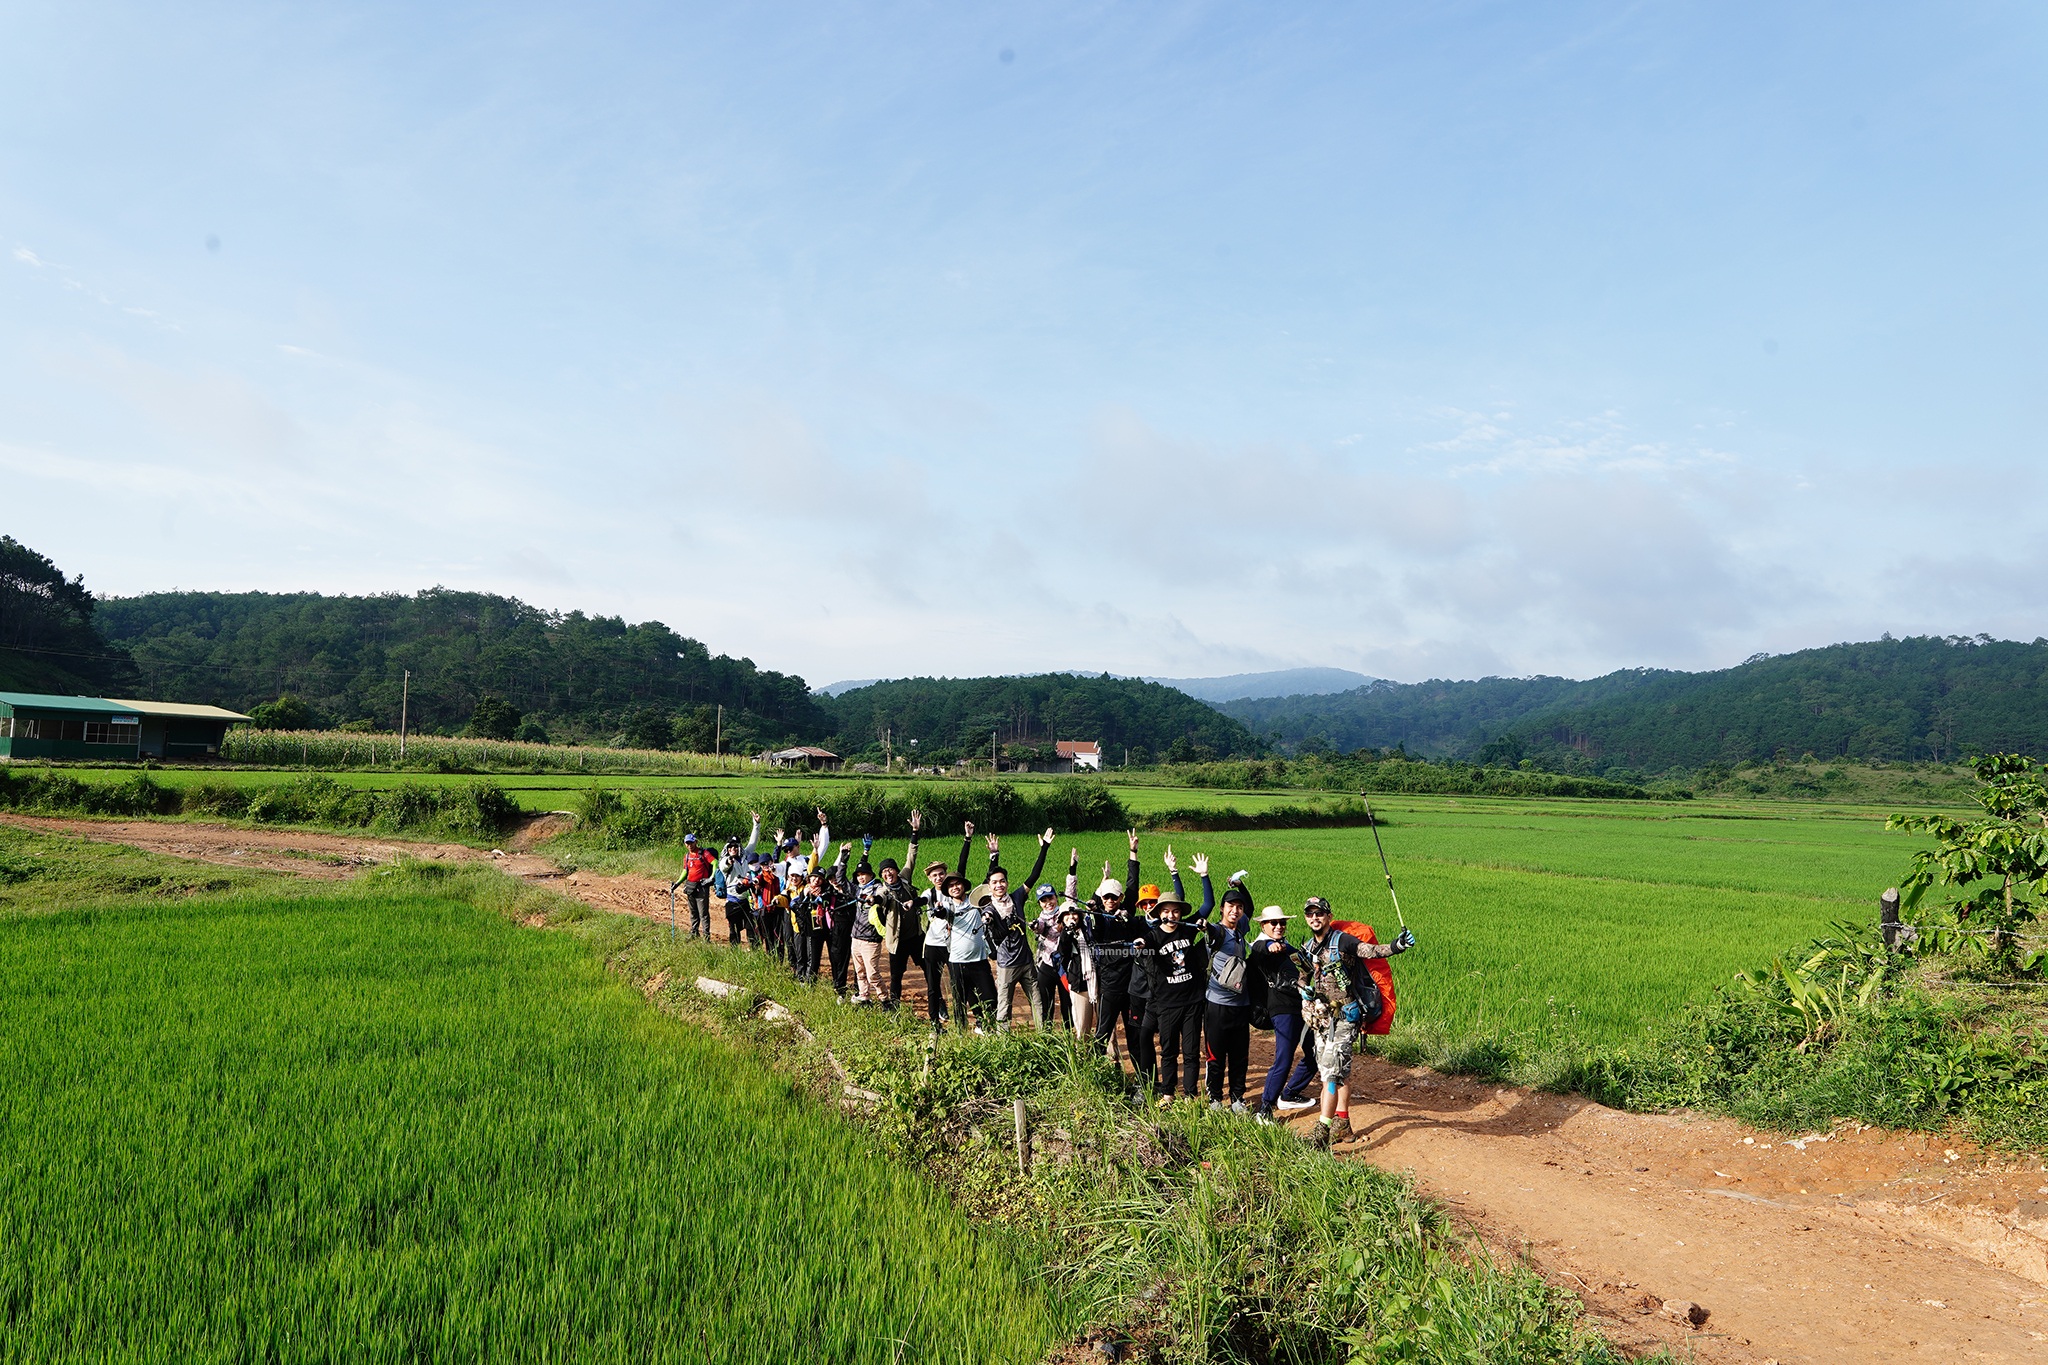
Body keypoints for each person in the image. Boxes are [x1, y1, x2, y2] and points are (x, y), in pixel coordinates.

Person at [1297, 895, 1413, 1148]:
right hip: (1321, 1019)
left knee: (1330, 1074)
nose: (1314, 918)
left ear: (1329, 916)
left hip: (1345, 1018)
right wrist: (1303, 989)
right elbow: (1302, 976)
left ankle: (1322, 1130)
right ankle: (1343, 1123)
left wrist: (1397, 946)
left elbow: (1371, 951)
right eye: (1310, 914)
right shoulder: (1308, 948)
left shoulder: (1343, 941)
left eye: (1319, 913)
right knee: (1338, 1072)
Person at [982, 829, 1053, 1030]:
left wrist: (1044, 848)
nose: (999, 885)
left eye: (1002, 881)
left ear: (1007, 883)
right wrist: (993, 858)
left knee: (1038, 1003)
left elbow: (1034, 875)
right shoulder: (988, 909)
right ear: (989, 886)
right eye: (994, 883)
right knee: (1004, 1007)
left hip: (1027, 962)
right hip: (1006, 966)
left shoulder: (1017, 897)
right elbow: (994, 936)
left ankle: (1043, 1036)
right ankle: (1002, 1045)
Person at [1198, 879, 1256, 1110]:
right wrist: (1203, 925)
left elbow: (1250, 907)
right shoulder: (1217, 931)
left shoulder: (1241, 929)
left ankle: (1237, 1098)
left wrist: (1241, 886)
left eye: (1238, 907)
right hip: (1217, 1004)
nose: (1235, 910)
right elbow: (1209, 930)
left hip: (1241, 1004)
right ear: (1222, 908)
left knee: (1240, 1054)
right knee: (1216, 1053)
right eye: (1230, 906)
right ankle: (1214, 1097)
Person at [1247, 905, 1309, 1121]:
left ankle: (1290, 1093)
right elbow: (1261, 949)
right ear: (1263, 925)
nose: (1278, 926)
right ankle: (1265, 1106)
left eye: (1282, 922)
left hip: (1301, 1007)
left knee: (1314, 1053)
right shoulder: (1262, 946)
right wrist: (1271, 945)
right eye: (1273, 923)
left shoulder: (1288, 947)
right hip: (1281, 1007)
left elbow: (1304, 966)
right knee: (1284, 1056)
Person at [1088, 833, 1144, 1063]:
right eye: (1106, 897)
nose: (1110, 900)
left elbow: (1133, 883)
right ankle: (1094, 1075)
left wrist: (1133, 852)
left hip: (1131, 987)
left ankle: (1144, 1081)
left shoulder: (1128, 913)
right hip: (1109, 987)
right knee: (1102, 1032)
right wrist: (1094, 904)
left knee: (1134, 1035)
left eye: (1114, 897)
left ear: (1121, 898)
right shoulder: (1098, 917)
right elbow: (1094, 910)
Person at [916, 820, 974, 1028]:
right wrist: (910, 903)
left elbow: (962, 866)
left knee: (960, 983)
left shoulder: (953, 889)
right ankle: (934, 1021)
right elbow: (920, 902)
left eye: (941, 873)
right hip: (933, 945)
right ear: (930, 878)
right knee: (933, 985)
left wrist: (967, 839)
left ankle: (963, 1021)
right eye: (934, 875)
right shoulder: (928, 893)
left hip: (954, 945)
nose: (939, 877)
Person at [929, 870, 998, 1030]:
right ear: (947, 890)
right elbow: (941, 913)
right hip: (957, 962)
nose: (955, 887)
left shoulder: (976, 902)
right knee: (961, 1000)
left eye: (957, 884)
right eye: (951, 886)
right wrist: (938, 910)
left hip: (980, 960)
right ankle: (961, 1031)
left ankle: (988, 1026)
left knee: (990, 997)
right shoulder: (948, 906)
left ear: (964, 886)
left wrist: (994, 856)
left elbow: (988, 886)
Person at [681, 832, 717, 939]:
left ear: (696, 842)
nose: (690, 845)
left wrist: (711, 878)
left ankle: (706, 936)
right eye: (687, 843)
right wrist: (677, 883)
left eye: (691, 843)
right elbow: (685, 871)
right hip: (690, 886)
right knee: (693, 912)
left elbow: (715, 862)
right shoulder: (687, 856)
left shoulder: (704, 853)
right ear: (685, 844)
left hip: (702, 886)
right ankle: (694, 932)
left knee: (703, 913)